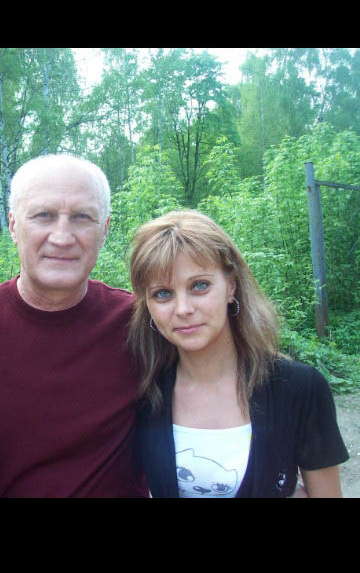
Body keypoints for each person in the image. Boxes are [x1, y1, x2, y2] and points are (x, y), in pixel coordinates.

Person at [0, 154, 148, 497]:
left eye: (82, 217)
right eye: (44, 216)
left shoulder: (140, 325)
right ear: (13, 226)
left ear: (105, 230)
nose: (62, 237)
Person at [129, 209, 349, 498]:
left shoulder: (299, 387)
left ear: (231, 285)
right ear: (147, 304)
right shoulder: (144, 392)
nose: (183, 309)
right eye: (162, 293)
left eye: (199, 286)